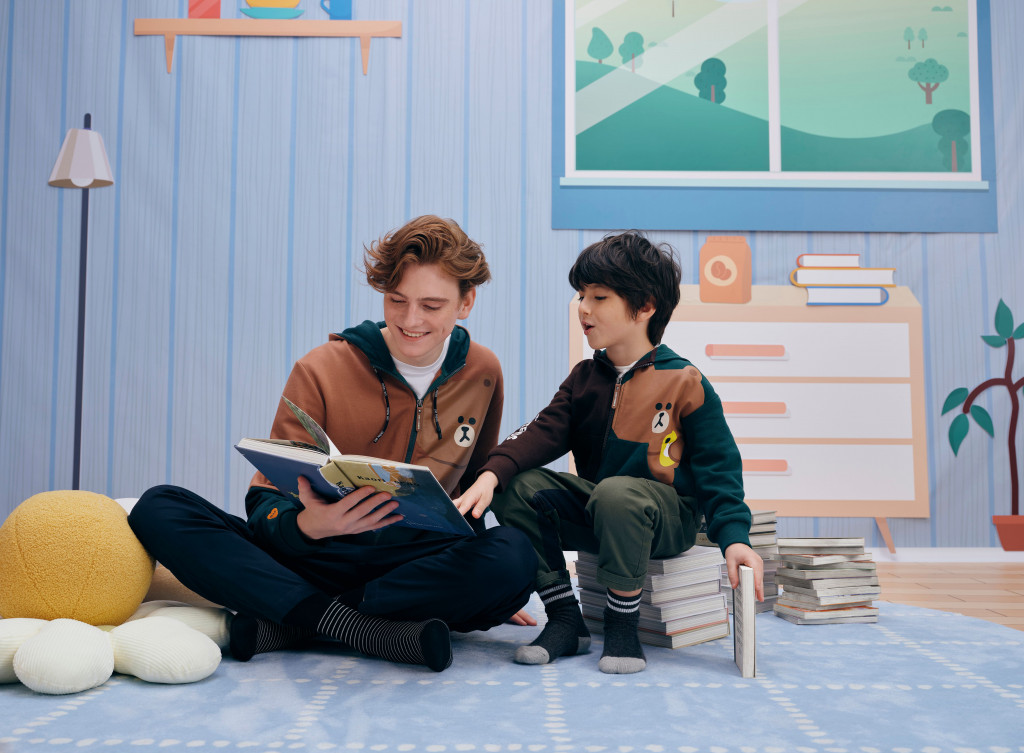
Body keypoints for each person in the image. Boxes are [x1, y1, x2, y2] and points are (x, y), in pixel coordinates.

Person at [130, 215, 537, 673]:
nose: (410, 320)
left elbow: (470, 497)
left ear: (466, 302)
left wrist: (492, 581)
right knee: (159, 507)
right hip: (314, 553)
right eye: (397, 300)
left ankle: (298, 622)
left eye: (431, 305)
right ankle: (366, 629)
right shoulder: (320, 367)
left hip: (411, 564)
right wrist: (309, 526)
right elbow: (265, 502)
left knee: (515, 556)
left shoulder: (483, 371)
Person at [455, 231, 764, 675]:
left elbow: (720, 469)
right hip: (602, 511)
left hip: (666, 520)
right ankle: (566, 619)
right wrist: (491, 475)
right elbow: (541, 432)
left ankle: (622, 626)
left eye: (599, 297)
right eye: (581, 295)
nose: (583, 307)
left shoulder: (685, 381)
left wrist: (735, 538)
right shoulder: (584, 379)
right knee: (516, 485)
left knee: (618, 492)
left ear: (645, 306)